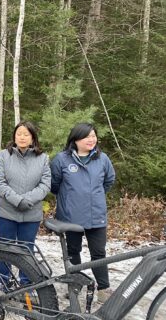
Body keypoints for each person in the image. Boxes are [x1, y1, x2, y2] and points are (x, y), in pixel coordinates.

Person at [50, 123, 116, 303]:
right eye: (87, 136)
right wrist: (70, 198)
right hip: (70, 217)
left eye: (94, 136)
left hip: (96, 216)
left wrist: (92, 196)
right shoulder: (61, 160)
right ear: (75, 139)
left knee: (98, 253)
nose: (92, 140)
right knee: (72, 252)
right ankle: (75, 286)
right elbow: (54, 185)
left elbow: (108, 181)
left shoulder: (102, 159)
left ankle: (103, 289)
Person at [0, 121, 50, 291]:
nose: (22, 137)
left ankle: (26, 282)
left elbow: (45, 185)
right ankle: (2, 282)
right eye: (19, 134)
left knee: (27, 249)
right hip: (6, 211)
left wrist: (28, 200)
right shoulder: (3, 156)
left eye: (26, 134)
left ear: (33, 137)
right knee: (5, 247)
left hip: (31, 213)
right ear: (14, 137)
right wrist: (17, 200)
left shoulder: (43, 158)